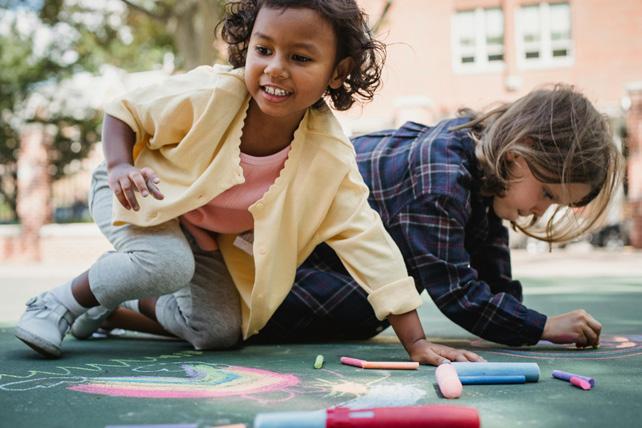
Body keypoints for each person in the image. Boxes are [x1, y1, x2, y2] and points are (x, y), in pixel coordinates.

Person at [16, 0, 480, 366]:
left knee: (219, 332)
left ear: (337, 72)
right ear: (248, 45)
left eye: (300, 57)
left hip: (198, 227)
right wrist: (120, 165)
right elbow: (125, 112)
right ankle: (55, 304)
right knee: (167, 263)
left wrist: (416, 342)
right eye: (264, 50)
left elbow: (369, 243)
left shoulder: (329, 159)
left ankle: (110, 302)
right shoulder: (213, 94)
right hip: (140, 190)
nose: (275, 67)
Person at [250, 84, 622, 348]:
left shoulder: (483, 176)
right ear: (517, 154)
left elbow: (493, 277)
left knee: (372, 304)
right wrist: (542, 327)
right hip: (275, 283)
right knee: (364, 306)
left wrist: (526, 322)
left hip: (316, 278)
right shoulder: (441, 176)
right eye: (547, 194)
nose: (541, 211)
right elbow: (457, 291)